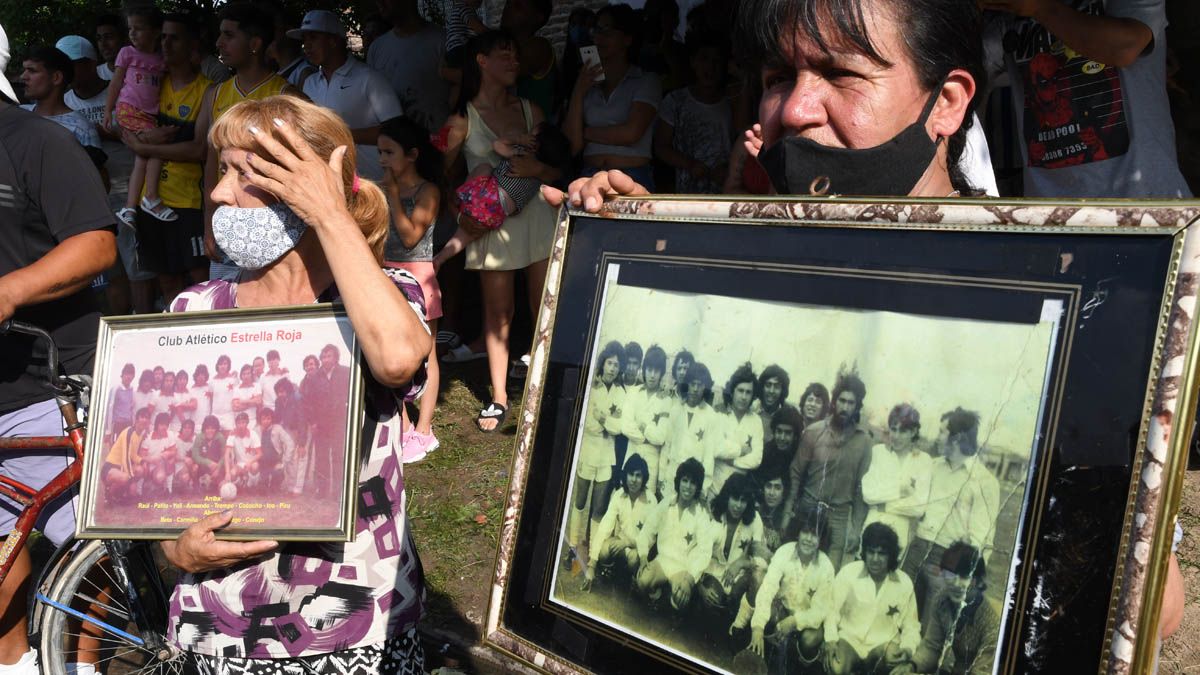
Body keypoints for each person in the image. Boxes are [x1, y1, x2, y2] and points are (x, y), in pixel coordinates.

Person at [161, 94, 430, 672]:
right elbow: (168, 479)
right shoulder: (194, 310)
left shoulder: (382, 296)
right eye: (222, 171)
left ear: (303, 187)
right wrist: (174, 548)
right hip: (221, 621)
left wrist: (329, 214)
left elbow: (398, 360)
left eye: (240, 174)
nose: (218, 193)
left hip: (353, 620)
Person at [544, 0, 985, 207]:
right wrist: (650, 251)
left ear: (946, 103)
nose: (793, 111)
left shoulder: (1026, 291)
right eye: (779, 79)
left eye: (841, 74)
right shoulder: (760, 255)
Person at [0, 20, 118, 670]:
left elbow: (97, 241)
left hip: (53, 383)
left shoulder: (34, 140)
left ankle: (80, 663)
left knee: (96, 551)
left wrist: (11, 290)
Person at [438, 30, 560, 432]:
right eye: (505, 54)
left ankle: (545, 384)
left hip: (538, 215)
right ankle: (499, 397)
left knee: (542, 305)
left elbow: (559, 168)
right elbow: (442, 173)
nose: (514, 62)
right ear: (482, 61)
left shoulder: (531, 111)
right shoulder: (461, 119)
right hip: (492, 224)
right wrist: (458, 208)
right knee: (498, 312)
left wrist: (538, 170)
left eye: (516, 56)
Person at [981, 0, 1192, 198]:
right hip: (1050, 214)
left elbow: (1126, 46)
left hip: (1147, 206)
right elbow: (963, 66)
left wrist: (1040, 8)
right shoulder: (1009, 17)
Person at [119, 12, 213, 303]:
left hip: (188, 202)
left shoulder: (208, 90)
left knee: (202, 282)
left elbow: (199, 149)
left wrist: (146, 147)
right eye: (163, 37)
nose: (166, 43)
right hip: (151, 204)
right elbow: (127, 129)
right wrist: (140, 140)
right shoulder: (151, 84)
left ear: (192, 45)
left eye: (175, 37)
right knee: (168, 282)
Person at [203, 3, 299, 281]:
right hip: (225, 216)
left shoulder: (287, 94)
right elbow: (211, 161)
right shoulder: (216, 94)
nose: (219, 43)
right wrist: (209, 223)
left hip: (271, 221)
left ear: (255, 43)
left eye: (229, 35)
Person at [378, 116, 443, 460]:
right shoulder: (383, 188)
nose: (382, 159)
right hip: (387, 277)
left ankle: (424, 429)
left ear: (413, 154)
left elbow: (409, 237)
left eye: (389, 152)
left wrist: (389, 194)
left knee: (426, 355)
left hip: (419, 277)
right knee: (393, 351)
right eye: (380, 152)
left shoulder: (427, 191)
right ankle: (402, 425)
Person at [903, 408, 1000, 618]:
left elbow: (982, 537)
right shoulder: (933, 466)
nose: (937, 437)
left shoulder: (984, 481)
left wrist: (965, 577)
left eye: (941, 432)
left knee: (930, 627)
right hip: (917, 548)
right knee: (899, 616)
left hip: (947, 561)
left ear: (956, 438)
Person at [433, 121, 571, 268]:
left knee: (484, 167)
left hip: (489, 193)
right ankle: (440, 259)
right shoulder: (543, 174)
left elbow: (497, 145)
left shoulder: (521, 152)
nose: (527, 135)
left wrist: (518, 140)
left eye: (531, 134)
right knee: (468, 235)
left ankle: (461, 196)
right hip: (498, 213)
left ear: (535, 144)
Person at [292, 10, 403, 182]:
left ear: (333, 40)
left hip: (375, 184)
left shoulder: (369, 78)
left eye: (313, 38)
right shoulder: (309, 83)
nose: (306, 45)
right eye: (304, 39)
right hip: (330, 185)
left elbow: (397, 130)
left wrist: (341, 134)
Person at [565, 4, 662, 189]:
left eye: (607, 30)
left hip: (633, 176)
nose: (598, 36)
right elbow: (572, 145)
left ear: (627, 39)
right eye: (596, 30)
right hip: (589, 175)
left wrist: (586, 132)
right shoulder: (587, 83)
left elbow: (631, 133)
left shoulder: (645, 80)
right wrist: (578, 90)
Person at [784, 367, 873, 569]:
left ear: (857, 406)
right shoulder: (814, 432)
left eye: (851, 403)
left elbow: (861, 489)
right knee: (793, 567)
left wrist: (856, 529)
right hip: (808, 507)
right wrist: (788, 511)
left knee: (828, 573)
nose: (845, 407)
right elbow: (796, 473)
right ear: (834, 402)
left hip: (839, 517)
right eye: (841, 400)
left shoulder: (865, 442)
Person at [103, 6, 174, 227]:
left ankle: (130, 207)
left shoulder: (161, 59)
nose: (132, 33)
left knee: (143, 158)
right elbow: (116, 82)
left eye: (139, 29)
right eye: (130, 29)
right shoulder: (127, 53)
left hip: (149, 114)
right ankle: (150, 197)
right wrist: (108, 110)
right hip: (129, 110)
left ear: (155, 32)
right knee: (157, 148)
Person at [749, 506, 836, 672]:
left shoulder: (826, 567)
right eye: (805, 532)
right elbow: (767, 589)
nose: (809, 539)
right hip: (781, 612)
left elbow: (820, 611)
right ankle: (767, 649)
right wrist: (758, 626)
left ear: (822, 538)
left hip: (806, 620)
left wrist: (795, 621)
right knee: (763, 595)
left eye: (815, 534)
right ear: (798, 532)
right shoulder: (784, 552)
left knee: (811, 639)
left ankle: (796, 664)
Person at [827, 522, 921, 674]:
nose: (875, 559)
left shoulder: (904, 583)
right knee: (837, 668)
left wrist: (908, 649)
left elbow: (911, 625)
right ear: (864, 551)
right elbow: (831, 610)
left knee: (894, 658)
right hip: (849, 640)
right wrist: (830, 639)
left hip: (882, 645)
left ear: (891, 555)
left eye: (882, 553)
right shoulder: (849, 572)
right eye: (871, 552)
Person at [568, 341, 625, 568]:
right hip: (588, 451)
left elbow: (618, 428)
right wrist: (605, 423)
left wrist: (604, 420)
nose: (612, 368)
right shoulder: (592, 386)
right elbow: (587, 424)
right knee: (580, 502)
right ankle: (572, 549)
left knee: (599, 509)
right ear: (603, 363)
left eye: (616, 365)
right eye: (610, 363)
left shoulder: (621, 393)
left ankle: (592, 556)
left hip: (606, 457)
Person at [654, 32, 732, 193]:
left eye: (716, 61)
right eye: (704, 59)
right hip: (687, 195)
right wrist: (689, 164)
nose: (710, 67)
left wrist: (730, 168)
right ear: (693, 62)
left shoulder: (733, 101)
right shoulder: (675, 101)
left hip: (727, 193)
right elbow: (661, 147)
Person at [904, 542, 998, 675]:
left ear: (978, 581)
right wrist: (912, 666)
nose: (956, 583)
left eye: (965, 576)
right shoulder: (942, 599)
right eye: (951, 574)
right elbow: (932, 647)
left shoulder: (992, 625)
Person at [636, 458, 717, 612]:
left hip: (682, 568)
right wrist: (643, 556)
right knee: (642, 582)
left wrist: (690, 578)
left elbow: (705, 551)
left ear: (698, 487)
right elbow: (647, 530)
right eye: (685, 480)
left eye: (693, 483)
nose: (687, 487)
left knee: (681, 598)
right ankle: (658, 591)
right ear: (678, 481)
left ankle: (669, 595)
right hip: (662, 561)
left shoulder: (701, 514)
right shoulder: (667, 503)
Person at [698, 472, 770, 636]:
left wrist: (741, 563)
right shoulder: (713, 516)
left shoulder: (754, 519)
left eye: (743, 500)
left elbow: (761, 560)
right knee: (712, 602)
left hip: (738, 580)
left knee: (756, 578)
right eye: (734, 498)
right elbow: (696, 556)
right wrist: (700, 587)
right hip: (711, 574)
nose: (738, 505)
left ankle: (737, 627)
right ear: (726, 496)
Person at [861, 403, 932, 559]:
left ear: (913, 432)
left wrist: (883, 505)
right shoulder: (878, 452)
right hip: (872, 528)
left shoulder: (923, 460)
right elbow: (868, 493)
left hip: (899, 535)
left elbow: (919, 507)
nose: (896, 436)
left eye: (903, 431)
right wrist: (901, 490)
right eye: (893, 429)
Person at [368, 0, 449, 134]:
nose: (379, 3)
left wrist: (446, 145)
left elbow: (460, 100)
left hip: (437, 147)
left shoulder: (442, 41)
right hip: (395, 148)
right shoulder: (376, 49)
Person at [584, 452, 656, 588]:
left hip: (637, 548)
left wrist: (628, 542)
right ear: (626, 475)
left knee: (634, 559)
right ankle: (610, 569)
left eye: (638, 475)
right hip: (620, 542)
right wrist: (592, 565)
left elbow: (650, 538)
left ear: (644, 478)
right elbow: (604, 527)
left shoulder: (652, 500)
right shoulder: (619, 495)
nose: (634, 480)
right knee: (604, 549)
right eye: (631, 474)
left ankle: (629, 577)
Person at [18, 46, 101, 152]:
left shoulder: (81, 128)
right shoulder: (18, 114)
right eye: (24, 70)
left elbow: (91, 168)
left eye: (32, 71)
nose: (23, 76)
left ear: (56, 77)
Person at [661, 361, 718, 502]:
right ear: (687, 384)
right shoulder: (676, 410)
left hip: (692, 483)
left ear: (705, 387)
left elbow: (709, 457)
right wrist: (661, 477)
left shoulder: (711, 416)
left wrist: (704, 487)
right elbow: (666, 445)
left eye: (700, 385)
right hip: (672, 476)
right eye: (693, 384)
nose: (695, 389)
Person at [620, 344, 673, 493]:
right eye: (649, 370)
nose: (652, 375)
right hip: (632, 453)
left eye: (656, 371)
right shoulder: (634, 392)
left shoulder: (666, 400)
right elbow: (625, 426)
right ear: (644, 370)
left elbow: (660, 438)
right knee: (625, 501)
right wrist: (645, 438)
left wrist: (644, 427)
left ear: (662, 373)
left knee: (645, 507)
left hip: (651, 462)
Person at [94, 13, 126, 82]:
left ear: (123, 38)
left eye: (108, 37)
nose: (103, 44)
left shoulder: (140, 71)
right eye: (99, 38)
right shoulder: (94, 75)